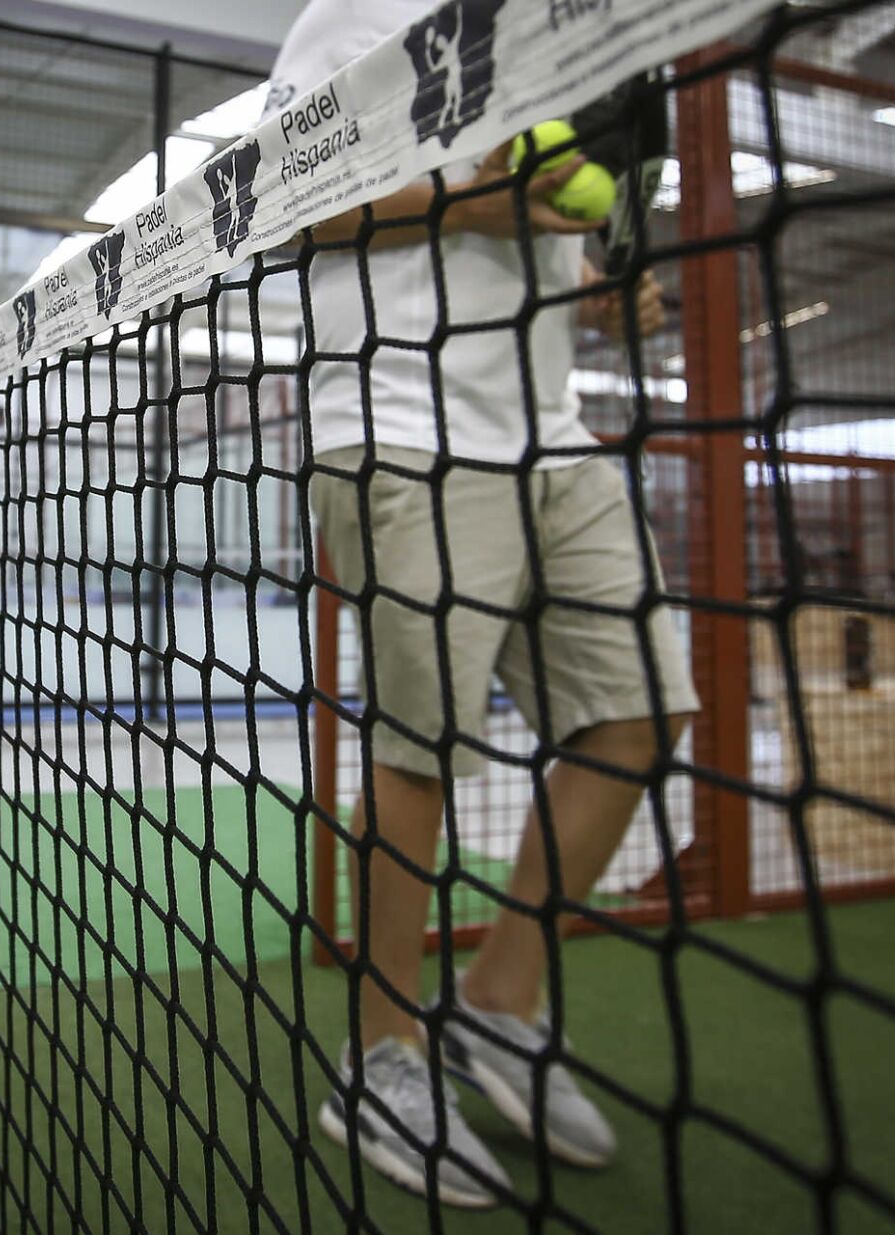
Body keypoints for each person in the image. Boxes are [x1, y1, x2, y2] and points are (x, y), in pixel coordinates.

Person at [266, 0, 699, 1210]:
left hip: (548, 436)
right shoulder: (352, 15)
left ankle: (498, 1001)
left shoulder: (566, 21)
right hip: (398, 427)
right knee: (424, 751)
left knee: (642, 711)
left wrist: (600, 283)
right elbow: (287, 208)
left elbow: (548, 214)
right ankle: (381, 1053)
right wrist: (482, 207)